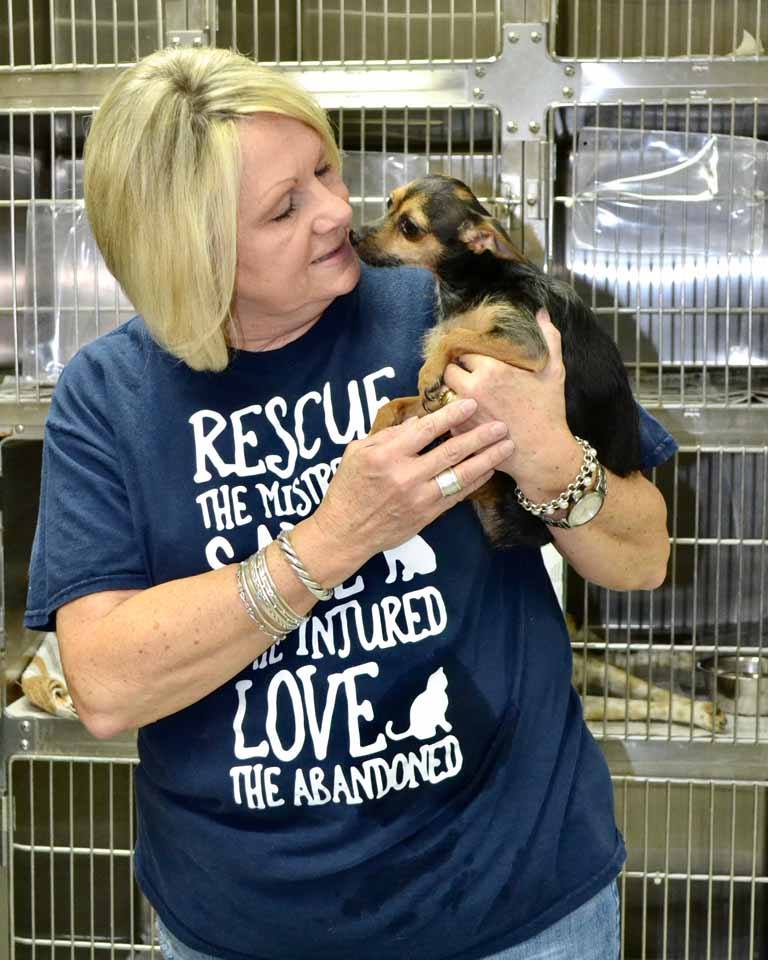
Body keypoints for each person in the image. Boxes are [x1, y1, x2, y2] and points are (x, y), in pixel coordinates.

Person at [24, 46, 676, 960]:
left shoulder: (451, 311)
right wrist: (335, 538)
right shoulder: (110, 397)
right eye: (285, 208)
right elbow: (103, 686)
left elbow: (644, 556)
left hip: (518, 904)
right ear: (192, 250)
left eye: (325, 171)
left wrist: (551, 459)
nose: (338, 211)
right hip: (248, 927)